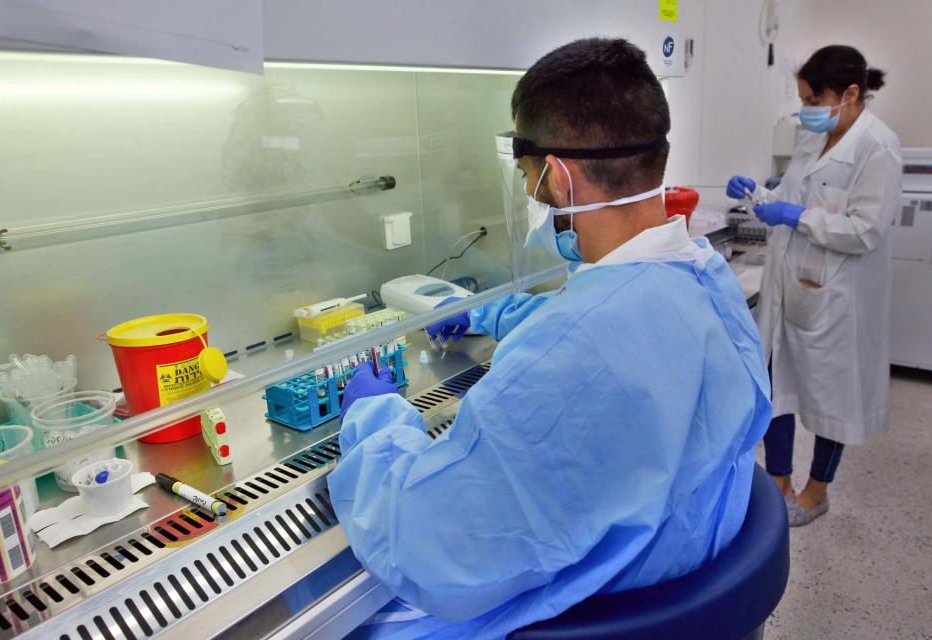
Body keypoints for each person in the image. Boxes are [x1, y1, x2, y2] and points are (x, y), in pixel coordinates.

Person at [329, 38, 771, 640]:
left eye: (526, 175)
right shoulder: (706, 279)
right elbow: (616, 320)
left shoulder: (568, 354)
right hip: (683, 572)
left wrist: (375, 422)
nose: (530, 193)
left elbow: (427, 546)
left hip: (594, 608)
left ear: (558, 176)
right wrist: (494, 315)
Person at [726, 45, 901, 526]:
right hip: (790, 287)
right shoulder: (810, 139)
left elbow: (866, 228)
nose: (806, 110)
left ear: (849, 93)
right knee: (776, 382)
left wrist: (797, 216)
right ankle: (778, 481)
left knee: (833, 397)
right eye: (802, 99)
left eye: (813, 99)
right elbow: (788, 197)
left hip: (840, 298)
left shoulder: (877, 146)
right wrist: (755, 193)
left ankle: (816, 491)